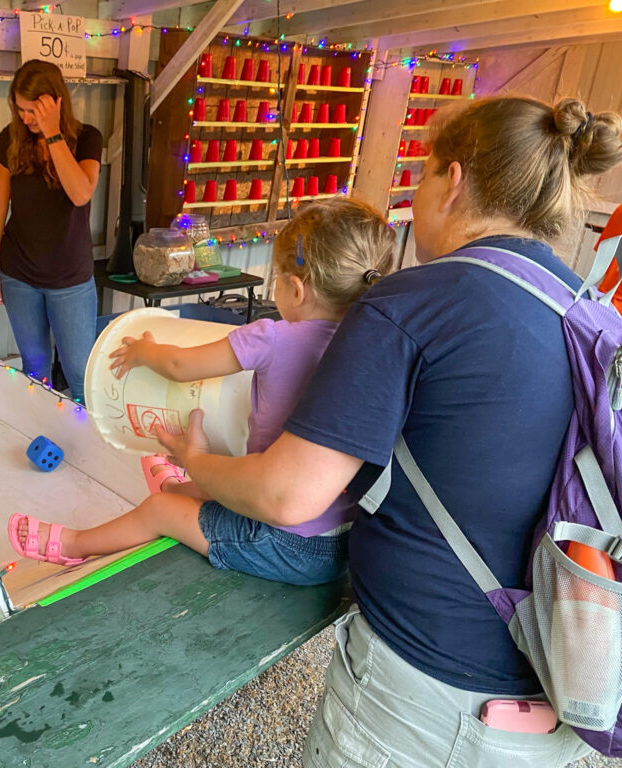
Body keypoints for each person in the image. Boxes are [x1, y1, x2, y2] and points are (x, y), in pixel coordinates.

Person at [150, 97, 622, 767]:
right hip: (563, 684)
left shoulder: (412, 303)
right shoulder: (583, 307)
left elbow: (289, 496)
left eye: (421, 177)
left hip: (426, 700)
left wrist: (197, 464)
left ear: (451, 180)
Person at [6, 198, 396, 584]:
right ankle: (180, 486)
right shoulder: (367, 347)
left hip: (282, 542)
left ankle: (74, 544)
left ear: (295, 289)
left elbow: (181, 367)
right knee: (231, 473)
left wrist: (146, 351)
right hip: (339, 541)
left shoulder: (272, 337)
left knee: (159, 510)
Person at [0, 59, 103, 404]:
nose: (25, 118)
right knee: (35, 367)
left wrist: (52, 135)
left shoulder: (86, 138)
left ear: (54, 103)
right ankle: (43, 439)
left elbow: (81, 193)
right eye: (19, 109)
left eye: (32, 110)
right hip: (19, 274)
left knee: (80, 372)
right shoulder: (10, 139)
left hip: (70, 279)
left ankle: (84, 447)